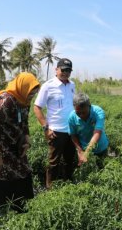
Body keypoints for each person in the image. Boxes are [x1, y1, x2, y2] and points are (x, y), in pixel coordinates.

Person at [0, 72, 40, 213]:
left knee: (23, 174)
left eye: (33, 94)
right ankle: (1, 215)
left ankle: (22, 211)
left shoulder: (24, 101)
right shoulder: (6, 100)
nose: (31, 97)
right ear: (22, 87)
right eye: (30, 94)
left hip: (12, 144)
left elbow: (25, 123)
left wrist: (27, 139)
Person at [34, 58, 76, 189]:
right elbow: (37, 107)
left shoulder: (72, 85)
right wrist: (46, 128)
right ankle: (50, 189)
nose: (65, 73)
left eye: (68, 70)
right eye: (63, 70)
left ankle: (67, 185)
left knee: (69, 160)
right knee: (54, 162)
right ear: (56, 70)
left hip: (71, 130)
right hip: (56, 130)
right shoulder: (48, 85)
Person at [68, 93, 109, 169]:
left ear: (89, 106)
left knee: (103, 170)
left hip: (100, 148)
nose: (81, 115)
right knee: (88, 172)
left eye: (84, 112)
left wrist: (87, 152)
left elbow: (97, 133)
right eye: (78, 113)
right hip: (83, 148)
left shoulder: (98, 112)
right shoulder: (72, 117)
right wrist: (80, 151)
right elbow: (73, 135)